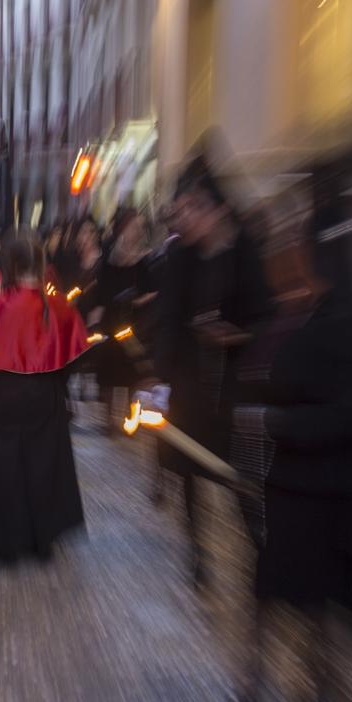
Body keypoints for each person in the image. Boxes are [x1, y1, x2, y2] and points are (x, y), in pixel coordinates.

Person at [230, 161, 352, 702]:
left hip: (328, 489)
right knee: (270, 591)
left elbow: (350, 413)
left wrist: (274, 420)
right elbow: (263, 372)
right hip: (288, 487)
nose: (290, 247)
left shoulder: (344, 322)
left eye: (300, 237)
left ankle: (320, 691)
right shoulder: (298, 314)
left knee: (317, 599)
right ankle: (255, 685)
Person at [154, 156, 270, 587]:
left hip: (236, 391)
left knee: (241, 476)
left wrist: (236, 338)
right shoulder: (180, 257)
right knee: (190, 474)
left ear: (216, 210)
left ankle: (258, 550)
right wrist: (161, 376)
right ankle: (198, 548)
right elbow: (167, 319)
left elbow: (266, 316)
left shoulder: (245, 253)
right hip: (191, 386)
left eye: (191, 208)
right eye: (179, 210)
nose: (183, 218)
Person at [0, 234, 91, 563]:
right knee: (41, 464)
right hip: (45, 395)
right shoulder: (57, 308)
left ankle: (3, 544)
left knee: (1, 465)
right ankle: (40, 540)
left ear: (7, 267)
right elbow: (78, 355)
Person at [88, 208, 158, 432]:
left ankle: (131, 416)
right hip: (112, 320)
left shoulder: (144, 259)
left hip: (133, 323)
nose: (136, 232)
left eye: (139, 228)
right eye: (133, 227)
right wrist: (95, 320)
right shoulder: (109, 259)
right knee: (110, 370)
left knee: (131, 370)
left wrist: (139, 300)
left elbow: (154, 289)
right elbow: (100, 293)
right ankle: (110, 418)